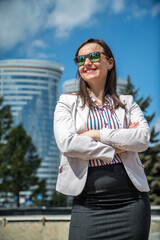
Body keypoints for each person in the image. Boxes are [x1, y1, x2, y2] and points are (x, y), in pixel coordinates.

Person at [54, 38, 151, 240]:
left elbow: (141, 139)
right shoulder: (67, 102)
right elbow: (68, 143)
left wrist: (96, 134)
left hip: (132, 201)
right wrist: (115, 148)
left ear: (110, 63)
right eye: (80, 59)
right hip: (88, 202)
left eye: (94, 56)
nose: (87, 62)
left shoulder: (127, 103)